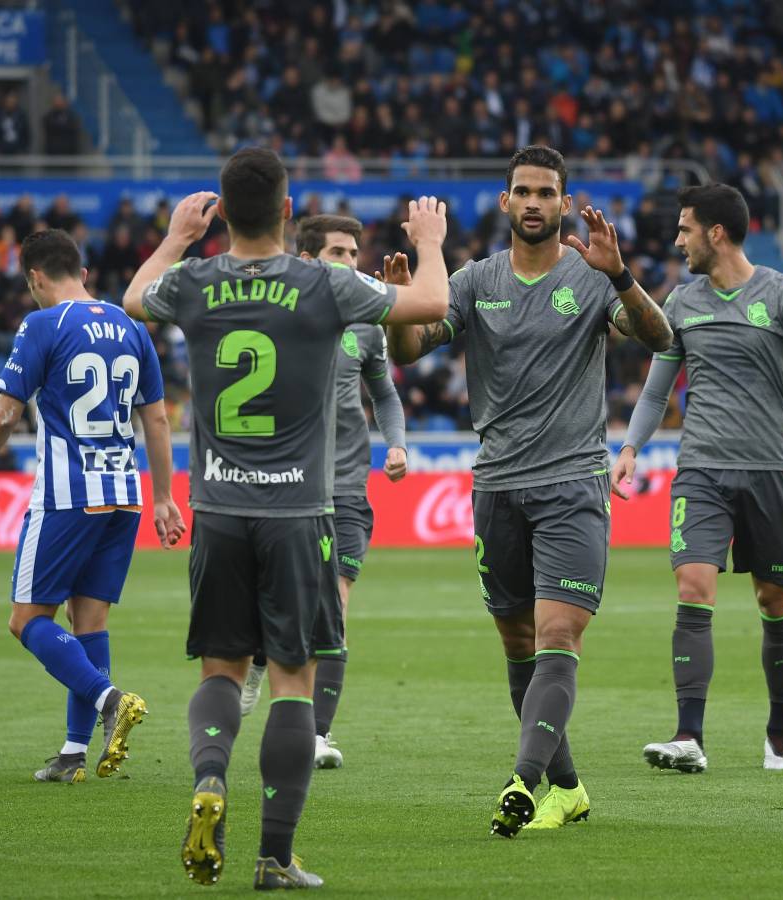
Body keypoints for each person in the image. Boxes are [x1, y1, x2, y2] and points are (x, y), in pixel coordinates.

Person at [123, 147, 449, 889]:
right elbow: (430, 306)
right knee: (294, 682)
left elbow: (134, 299)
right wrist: (428, 244)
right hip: (300, 512)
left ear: (224, 216)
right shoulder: (325, 284)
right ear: (287, 213)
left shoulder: (196, 282)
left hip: (219, 512)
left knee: (220, 669)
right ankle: (274, 855)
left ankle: (210, 779)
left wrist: (176, 237)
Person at [385, 145, 673, 837]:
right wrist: (396, 308)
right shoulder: (475, 279)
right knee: (519, 641)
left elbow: (663, 339)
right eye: (524, 191)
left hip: (573, 482)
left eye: (548, 191)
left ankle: (523, 780)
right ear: (507, 202)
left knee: (557, 633)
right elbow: (410, 350)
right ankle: (567, 786)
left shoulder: (593, 274)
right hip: (497, 487)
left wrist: (624, 277)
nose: (536, 201)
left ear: (565, 202)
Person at [611, 183, 783, 775]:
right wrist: (628, 447)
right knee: (693, 586)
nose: (678, 240)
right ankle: (688, 736)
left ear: (716, 233)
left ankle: (779, 734)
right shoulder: (680, 302)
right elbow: (656, 391)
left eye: (684, 230)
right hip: (700, 470)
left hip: (771, 471)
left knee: (774, 599)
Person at [0, 229, 183, 784]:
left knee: (26, 620)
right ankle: (75, 755)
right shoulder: (131, 327)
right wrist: (166, 496)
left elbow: (6, 415)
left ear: (34, 277)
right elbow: (157, 418)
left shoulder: (42, 324)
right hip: (124, 494)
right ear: (81, 268)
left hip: (66, 495)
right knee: (89, 623)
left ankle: (109, 700)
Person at [238, 214, 410, 775]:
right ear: (309, 259)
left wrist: (398, 444)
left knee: (333, 612)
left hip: (348, 488)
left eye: (356, 252)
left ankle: (317, 733)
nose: (353, 262)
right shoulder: (277, 319)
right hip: (287, 487)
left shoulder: (367, 323)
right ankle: (264, 650)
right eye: (340, 252)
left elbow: (384, 394)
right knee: (290, 607)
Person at [0, 89, 31, 156]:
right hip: (1, 152)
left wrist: (22, 148)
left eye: (13, 100)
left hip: (17, 152)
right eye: (9, 100)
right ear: (4, 101)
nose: (11, 102)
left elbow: (26, 134)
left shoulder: (21, 116)